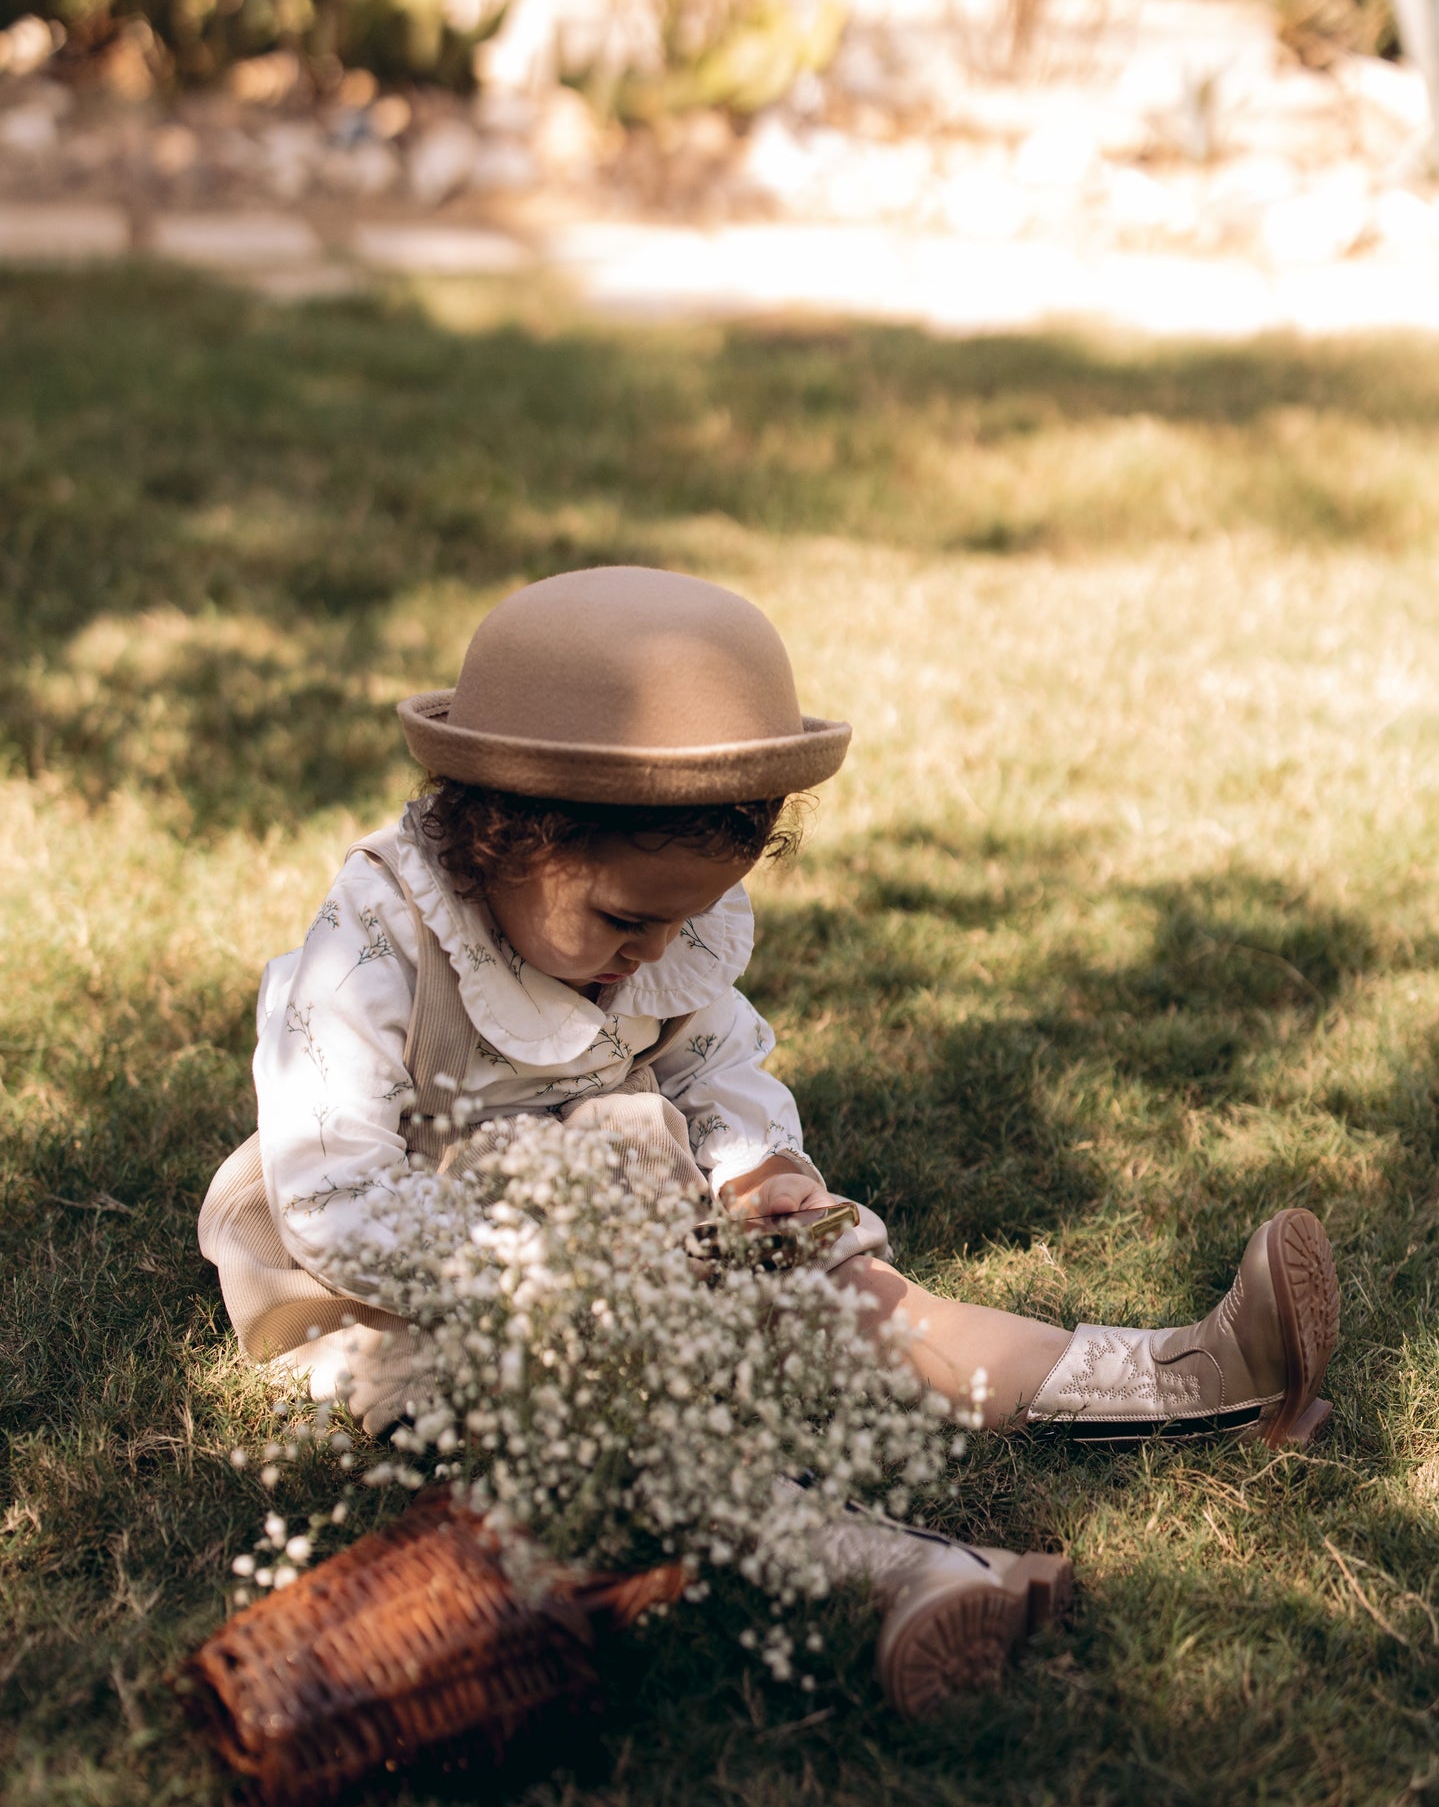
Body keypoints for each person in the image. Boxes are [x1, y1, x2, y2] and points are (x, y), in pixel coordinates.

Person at [200, 566, 1340, 1702]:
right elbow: (337, 1194)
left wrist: (756, 1169)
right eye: (623, 919)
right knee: (655, 1445)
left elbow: (712, 1062)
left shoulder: (653, 935)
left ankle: (1187, 1373)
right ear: (504, 834)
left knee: (869, 1301)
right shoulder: (378, 936)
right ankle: (919, 1572)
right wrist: (546, 1281)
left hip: (648, 1231)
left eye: (683, 920)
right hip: (444, 1290)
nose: (649, 952)